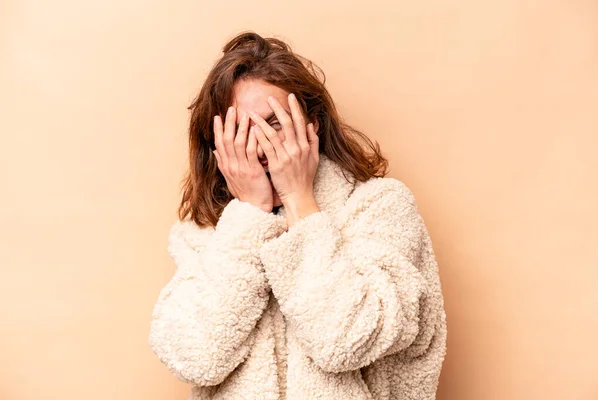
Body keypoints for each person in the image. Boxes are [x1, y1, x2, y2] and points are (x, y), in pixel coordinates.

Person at [149, 31, 447, 400]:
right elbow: (195, 358)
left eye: (274, 123)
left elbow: (346, 338)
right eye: (240, 131)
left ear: (313, 123)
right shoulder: (203, 233)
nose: (259, 145)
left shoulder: (380, 207)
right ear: (217, 144)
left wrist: (299, 199)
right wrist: (250, 216)